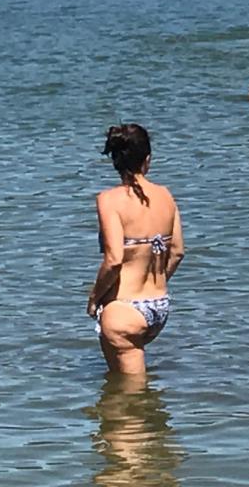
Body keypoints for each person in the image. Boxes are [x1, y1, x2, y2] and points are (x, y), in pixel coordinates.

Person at [89, 124, 184, 373]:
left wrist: (94, 299)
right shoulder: (166, 195)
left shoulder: (109, 200)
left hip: (125, 309)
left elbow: (113, 259)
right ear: (148, 159)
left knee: (129, 396)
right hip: (159, 306)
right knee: (134, 393)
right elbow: (177, 252)